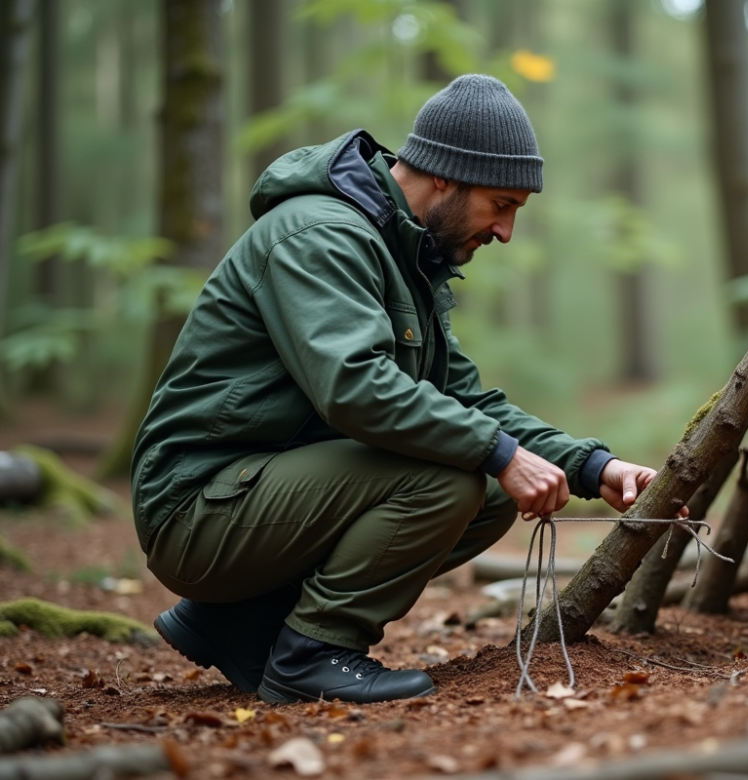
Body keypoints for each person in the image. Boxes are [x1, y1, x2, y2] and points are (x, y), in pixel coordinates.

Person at [131, 75, 663, 705]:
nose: (506, 231)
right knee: (449, 479)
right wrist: (500, 453)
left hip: (257, 492)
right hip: (196, 507)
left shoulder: (404, 257)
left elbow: (467, 402)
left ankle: (235, 622)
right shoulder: (319, 235)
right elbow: (355, 386)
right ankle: (312, 653)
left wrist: (592, 467)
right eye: (500, 204)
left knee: (491, 485)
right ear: (444, 176)